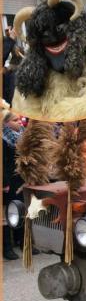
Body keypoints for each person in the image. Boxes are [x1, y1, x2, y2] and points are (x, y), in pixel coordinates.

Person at [2, 104, 24, 260]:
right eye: (16, 120)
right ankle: (7, 248)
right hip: (8, 182)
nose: (20, 122)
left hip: (21, 180)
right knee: (8, 213)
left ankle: (21, 240)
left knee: (21, 210)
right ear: (6, 122)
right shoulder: (3, 139)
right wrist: (4, 183)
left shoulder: (22, 137)